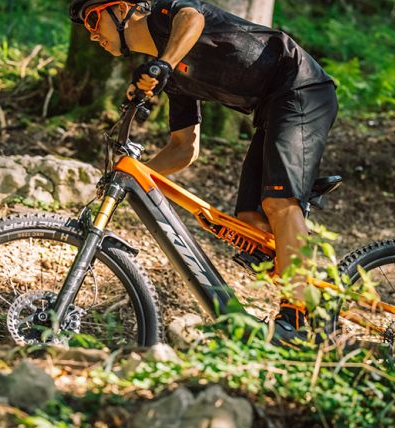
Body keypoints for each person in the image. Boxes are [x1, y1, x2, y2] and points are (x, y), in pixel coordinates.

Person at [68, 0, 338, 344]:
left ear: (122, 9)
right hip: (272, 109)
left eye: (93, 20)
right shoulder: (172, 77)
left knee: (279, 203)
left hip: (302, 88)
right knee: (251, 220)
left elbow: (192, 18)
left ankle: (297, 320)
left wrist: (163, 65)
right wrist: (133, 175)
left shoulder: (168, 17)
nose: (92, 35)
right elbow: (184, 149)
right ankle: (314, 296)